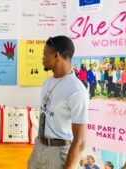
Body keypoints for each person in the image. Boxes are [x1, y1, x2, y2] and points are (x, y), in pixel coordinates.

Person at [27, 36, 88, 169]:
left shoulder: (76, 90)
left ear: (57, 55)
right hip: (39, 146)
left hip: (59, 152)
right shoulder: (47, 82)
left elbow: (80, 140)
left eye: (45, 54)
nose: (42, 58)